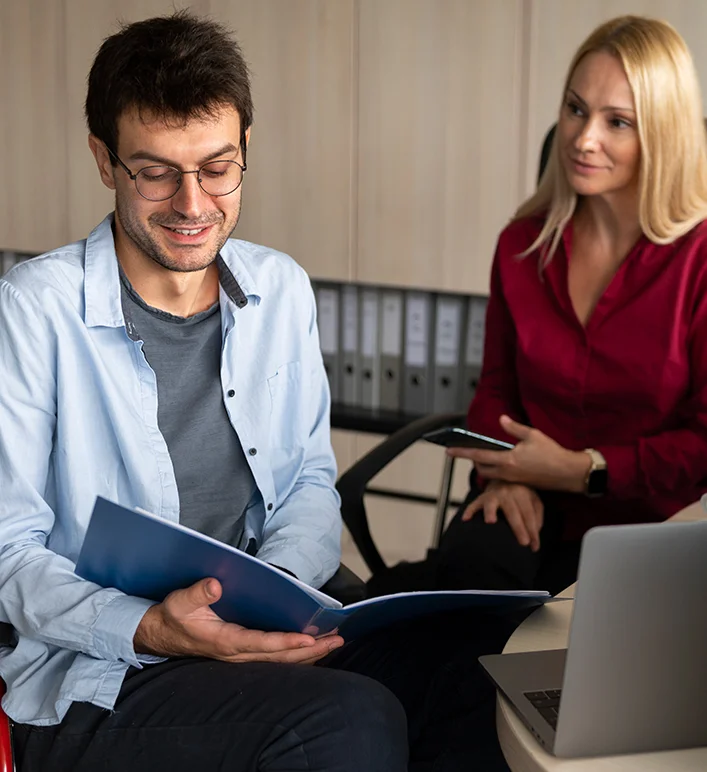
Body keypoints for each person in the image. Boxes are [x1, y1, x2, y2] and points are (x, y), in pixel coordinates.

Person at [0, 12, 514, 772]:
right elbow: (8, 553)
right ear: (104, 160)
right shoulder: (31, 309)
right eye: (156, 171)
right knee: (350, 720)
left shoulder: (280, 288)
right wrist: (154, 628)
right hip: (103, 670)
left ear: (245, 150)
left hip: (258, 622)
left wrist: (272, 603)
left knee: (477, 676)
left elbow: (307, 480)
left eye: (217, 167)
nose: (192, 204)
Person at [369, 15, 707, 599]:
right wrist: (501, 475)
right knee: (460, 602)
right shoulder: (523, 245)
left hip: (648, 525)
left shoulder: (697, 262)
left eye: (617, 122)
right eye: (576, 109)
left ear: (663, 135)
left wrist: (585, 469)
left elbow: (702, 440)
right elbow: (496, 388)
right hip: (525, 500)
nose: (583, 138)